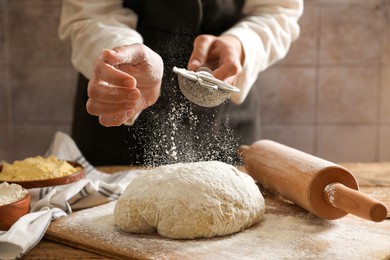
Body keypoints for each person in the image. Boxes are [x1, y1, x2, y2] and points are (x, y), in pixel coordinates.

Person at [59, 0, 303, 166]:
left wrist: (240, 45)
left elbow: (279, 10)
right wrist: (121, 58)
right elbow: (90, 13)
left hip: (227, 112)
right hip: (122, 104)